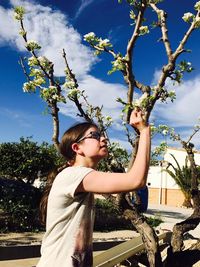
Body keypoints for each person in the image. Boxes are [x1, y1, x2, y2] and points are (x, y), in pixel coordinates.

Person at [36, 109, 151, 267]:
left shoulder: (80, 177)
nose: (103, 139)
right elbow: (136, 180)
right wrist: (144, 130)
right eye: (95, 136)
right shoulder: (73, 175)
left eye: (101, 135)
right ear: (77, 148)